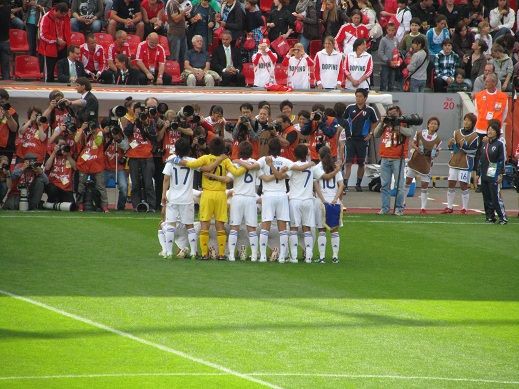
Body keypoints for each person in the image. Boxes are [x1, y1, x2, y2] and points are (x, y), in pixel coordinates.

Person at [180, 137, 247, 260]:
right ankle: (221, 254)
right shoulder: (225, 161)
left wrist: (182, 162)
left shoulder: (205, 158)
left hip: (207, 194)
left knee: (204, 223)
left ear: (210, 147)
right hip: (221, 194)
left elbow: (192, 164)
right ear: (223, 148)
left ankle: (205, 254)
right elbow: (236, 173)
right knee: (220, 224)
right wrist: (247, 166)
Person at [161, 137, 216, 259]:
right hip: (187, 199)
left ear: (176, 149)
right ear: (189, 150)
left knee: (170, 224)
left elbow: (166, 178)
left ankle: (169, 252)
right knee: (189, 225)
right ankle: (192, 252)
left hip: (174, 198)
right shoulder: (192, 161)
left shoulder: (171, 160)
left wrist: (164, 194)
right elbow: (206, 169)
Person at [256, 138, 293, 263]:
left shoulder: (263, 160)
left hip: (268, 195)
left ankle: (262, 256)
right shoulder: (286, 161)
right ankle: (282, 256)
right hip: (282, 195)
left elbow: (256, 168)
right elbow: (292, 171)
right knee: (282, 227)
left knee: (265, 226)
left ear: (268, 148)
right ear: (281, 148)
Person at [373, 105, 413, 216]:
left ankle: (399, 208)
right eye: (390, 114)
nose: (392, 116)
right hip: (385, 157)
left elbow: (410, 133)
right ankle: (385, 208)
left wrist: (398, 127)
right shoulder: (386, 123)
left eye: (394, 113)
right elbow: (376, 134)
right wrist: (382, 122)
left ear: (399, 113)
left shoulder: (404, 122)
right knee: (384, 185)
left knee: (399, 185)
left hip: (398, 159)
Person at [226, 141, 261, 261]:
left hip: (238, 197)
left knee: (234, 227)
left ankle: (231, 255)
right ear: (252, 152)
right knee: (252, 228)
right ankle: (255, 255)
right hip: (250, 197)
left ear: (239, 151)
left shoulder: (235, 164)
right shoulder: (256, 163)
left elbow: (228, 179)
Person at [342, 88, 378, 191]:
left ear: (365, 98)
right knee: (348, 162)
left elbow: (375, 123)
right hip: (350, 139)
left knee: (361, 163)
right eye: (356, 96)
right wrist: (346, 133)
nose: (358, 98)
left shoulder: (370, 110)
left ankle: (358, 184)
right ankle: (345, 185)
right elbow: (343, 120)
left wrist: (370, 134)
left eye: (360, 96)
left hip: (362, 140)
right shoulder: (349, 108)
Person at [442, 113, 478, 214]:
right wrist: (450, 145)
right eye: (465, 120)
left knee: (463, 185)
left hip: (465, 164)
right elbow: (453, 149)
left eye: (469, 120)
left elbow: (474, 151)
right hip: (454, 162)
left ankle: (464, 208)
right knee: (451, 184)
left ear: (473, 123)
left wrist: (464, 146)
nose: (466, 122)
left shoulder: (475, 136)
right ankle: (449, 207)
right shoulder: (456, 132)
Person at [313, 146, 344, 263]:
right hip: (334, 202)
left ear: (319, 156)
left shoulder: (316, 168)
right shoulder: (336, 168)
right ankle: (335, 256)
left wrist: (322, 199)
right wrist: (336, 199)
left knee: (321, 230)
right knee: (334, 230)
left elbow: (316, 185)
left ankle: (322, 257)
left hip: (322, 202)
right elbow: (341, 185)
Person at [286, 144, 316, 263]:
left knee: (293, 228)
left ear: (294, 154)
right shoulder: (311, 167)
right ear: (307, 154)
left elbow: (285, 177)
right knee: (307, 228)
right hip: (308, 200)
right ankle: (308, 256)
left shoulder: (292, 167)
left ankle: (293, 257)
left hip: (295, 200)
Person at [405, 117, 442, 214]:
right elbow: (412, 143)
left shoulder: (438, 139)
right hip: (415, 160)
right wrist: (417, 149)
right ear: (428, 124)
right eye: (431, 123)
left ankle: (423, 208)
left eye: (435, 124)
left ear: (437, 127)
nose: (433, 125)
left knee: (424, 186)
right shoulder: (419, 133)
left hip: (426, 163)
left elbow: (436, 153)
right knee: (408, 181)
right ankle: (402, 202)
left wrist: (436, 153)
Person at [75, 120, 109, 212]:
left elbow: (98, 143)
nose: (92, 129)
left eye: (94, 127)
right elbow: (76, 140)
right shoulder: (84, 131)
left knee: (100, 186)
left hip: (97, 164)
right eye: (91, 127)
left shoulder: (100, 132)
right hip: (84, 163)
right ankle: (80, 205)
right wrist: (82, 129)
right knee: (81, 185)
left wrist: (94, 132)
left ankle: (104, 206)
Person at [480, 119, 508, 224]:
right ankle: (490, 217)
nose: (489, 131)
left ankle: (503, 217)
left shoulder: (499, 144)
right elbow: (481, 159)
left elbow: (501, 160)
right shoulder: (485, 144)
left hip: (493, 169)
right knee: (486, 196)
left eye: (492, 130)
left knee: (495, 195)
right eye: (488, 129)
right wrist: (479, 173)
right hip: (484, 170)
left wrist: (500, 173)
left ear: (497, 132)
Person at [38, 2, 72, 82]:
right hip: (49, 49)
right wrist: (56, 40)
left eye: (65, 14)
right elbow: (42, 35)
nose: (63, 16)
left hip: (63, 48)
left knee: (64, 74)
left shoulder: (66, 17)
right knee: (48, 76)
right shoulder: (46, 17)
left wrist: (68, 44)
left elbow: (68, 32)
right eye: (62, 14)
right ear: (57, 11)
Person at [102, 118, 129, 210]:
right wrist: (104, 133)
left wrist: (118, 139)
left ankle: (121, 207)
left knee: (124, 187)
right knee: (99, 187)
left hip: (119, 168)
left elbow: (126, 146)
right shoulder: (103, 136)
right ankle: (101, 205)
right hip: (105, 167)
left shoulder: (122, 136)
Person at [44, 136, 77, 205]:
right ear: (56, 146)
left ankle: (55, 201)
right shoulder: (51, 154)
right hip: (54, 185)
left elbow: (75, 167)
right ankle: (53, 201)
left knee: (71, 205)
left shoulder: (69, 155)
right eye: (60, 145)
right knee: (52, 189)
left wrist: (68, 155)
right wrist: (54, 153)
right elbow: (47, 167)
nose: (62, 147)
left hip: (66, 188)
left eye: (64, 145)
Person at [378, 22, 401, 92]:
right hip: (385, 64)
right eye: (389, 30)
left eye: (392, 30)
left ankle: (390, 97)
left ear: (395, 31)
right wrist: (388, 60)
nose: (391, 32)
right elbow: (380, 53)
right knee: (384, 82)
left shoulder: (396, 39)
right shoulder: (383, 40)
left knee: (391, 83)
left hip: (393, 65)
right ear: (386, 30)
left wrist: (398, 56)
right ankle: (382, 98)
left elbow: (397, 50)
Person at [0, 2, 10, 81]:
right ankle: (7, 82)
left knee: (5, 64)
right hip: (6, 40)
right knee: (5, 65)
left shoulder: (7, 10)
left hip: (5, 40)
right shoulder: (7, 10)